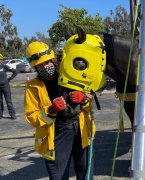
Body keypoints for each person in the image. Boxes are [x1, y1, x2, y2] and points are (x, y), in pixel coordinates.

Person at [24, 41, 96, 180]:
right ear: (35, 68)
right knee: (58, 176)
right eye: (40, 65)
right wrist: (51, 109)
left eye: (47, 62)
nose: (45, 67)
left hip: (81, 130)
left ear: (53, 60)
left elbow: (89, 99)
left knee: (85, 174)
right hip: (57, 134)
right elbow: (31, 116)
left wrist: (84, 98)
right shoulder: (34, 87)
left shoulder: (70, 74)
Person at [0, 55, 18, 119]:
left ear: (1, 60)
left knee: (8, 101)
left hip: (5, 86)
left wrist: (10, 78)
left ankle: (12, 115)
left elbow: (15, 71)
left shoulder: (4, 66)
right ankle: (0, 115)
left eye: (0, 59)